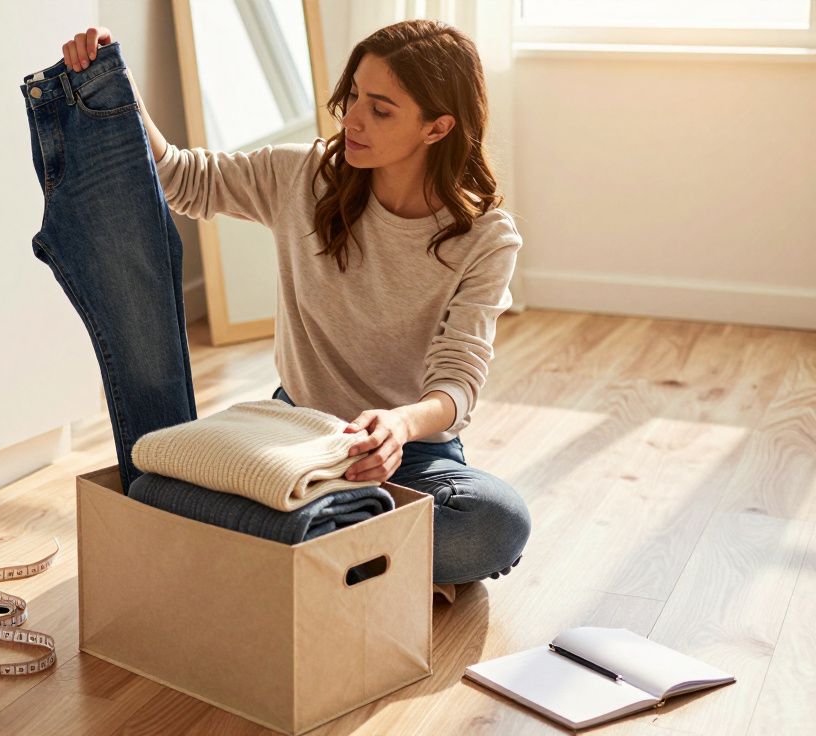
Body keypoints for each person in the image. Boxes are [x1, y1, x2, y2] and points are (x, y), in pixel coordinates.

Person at [61, 20, 530, 589]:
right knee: (151, 485)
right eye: (354, 93)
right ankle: (357, 556)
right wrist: (120, 87)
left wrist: (398, 427)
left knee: (494, 523)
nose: (351, 117)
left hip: (407, 455)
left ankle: (291, 545)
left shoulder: (485, 237)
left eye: (380, 110)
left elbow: (458, 380)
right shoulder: (305, 176)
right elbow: (182, 179)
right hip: (296, 434)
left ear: (437, 128)